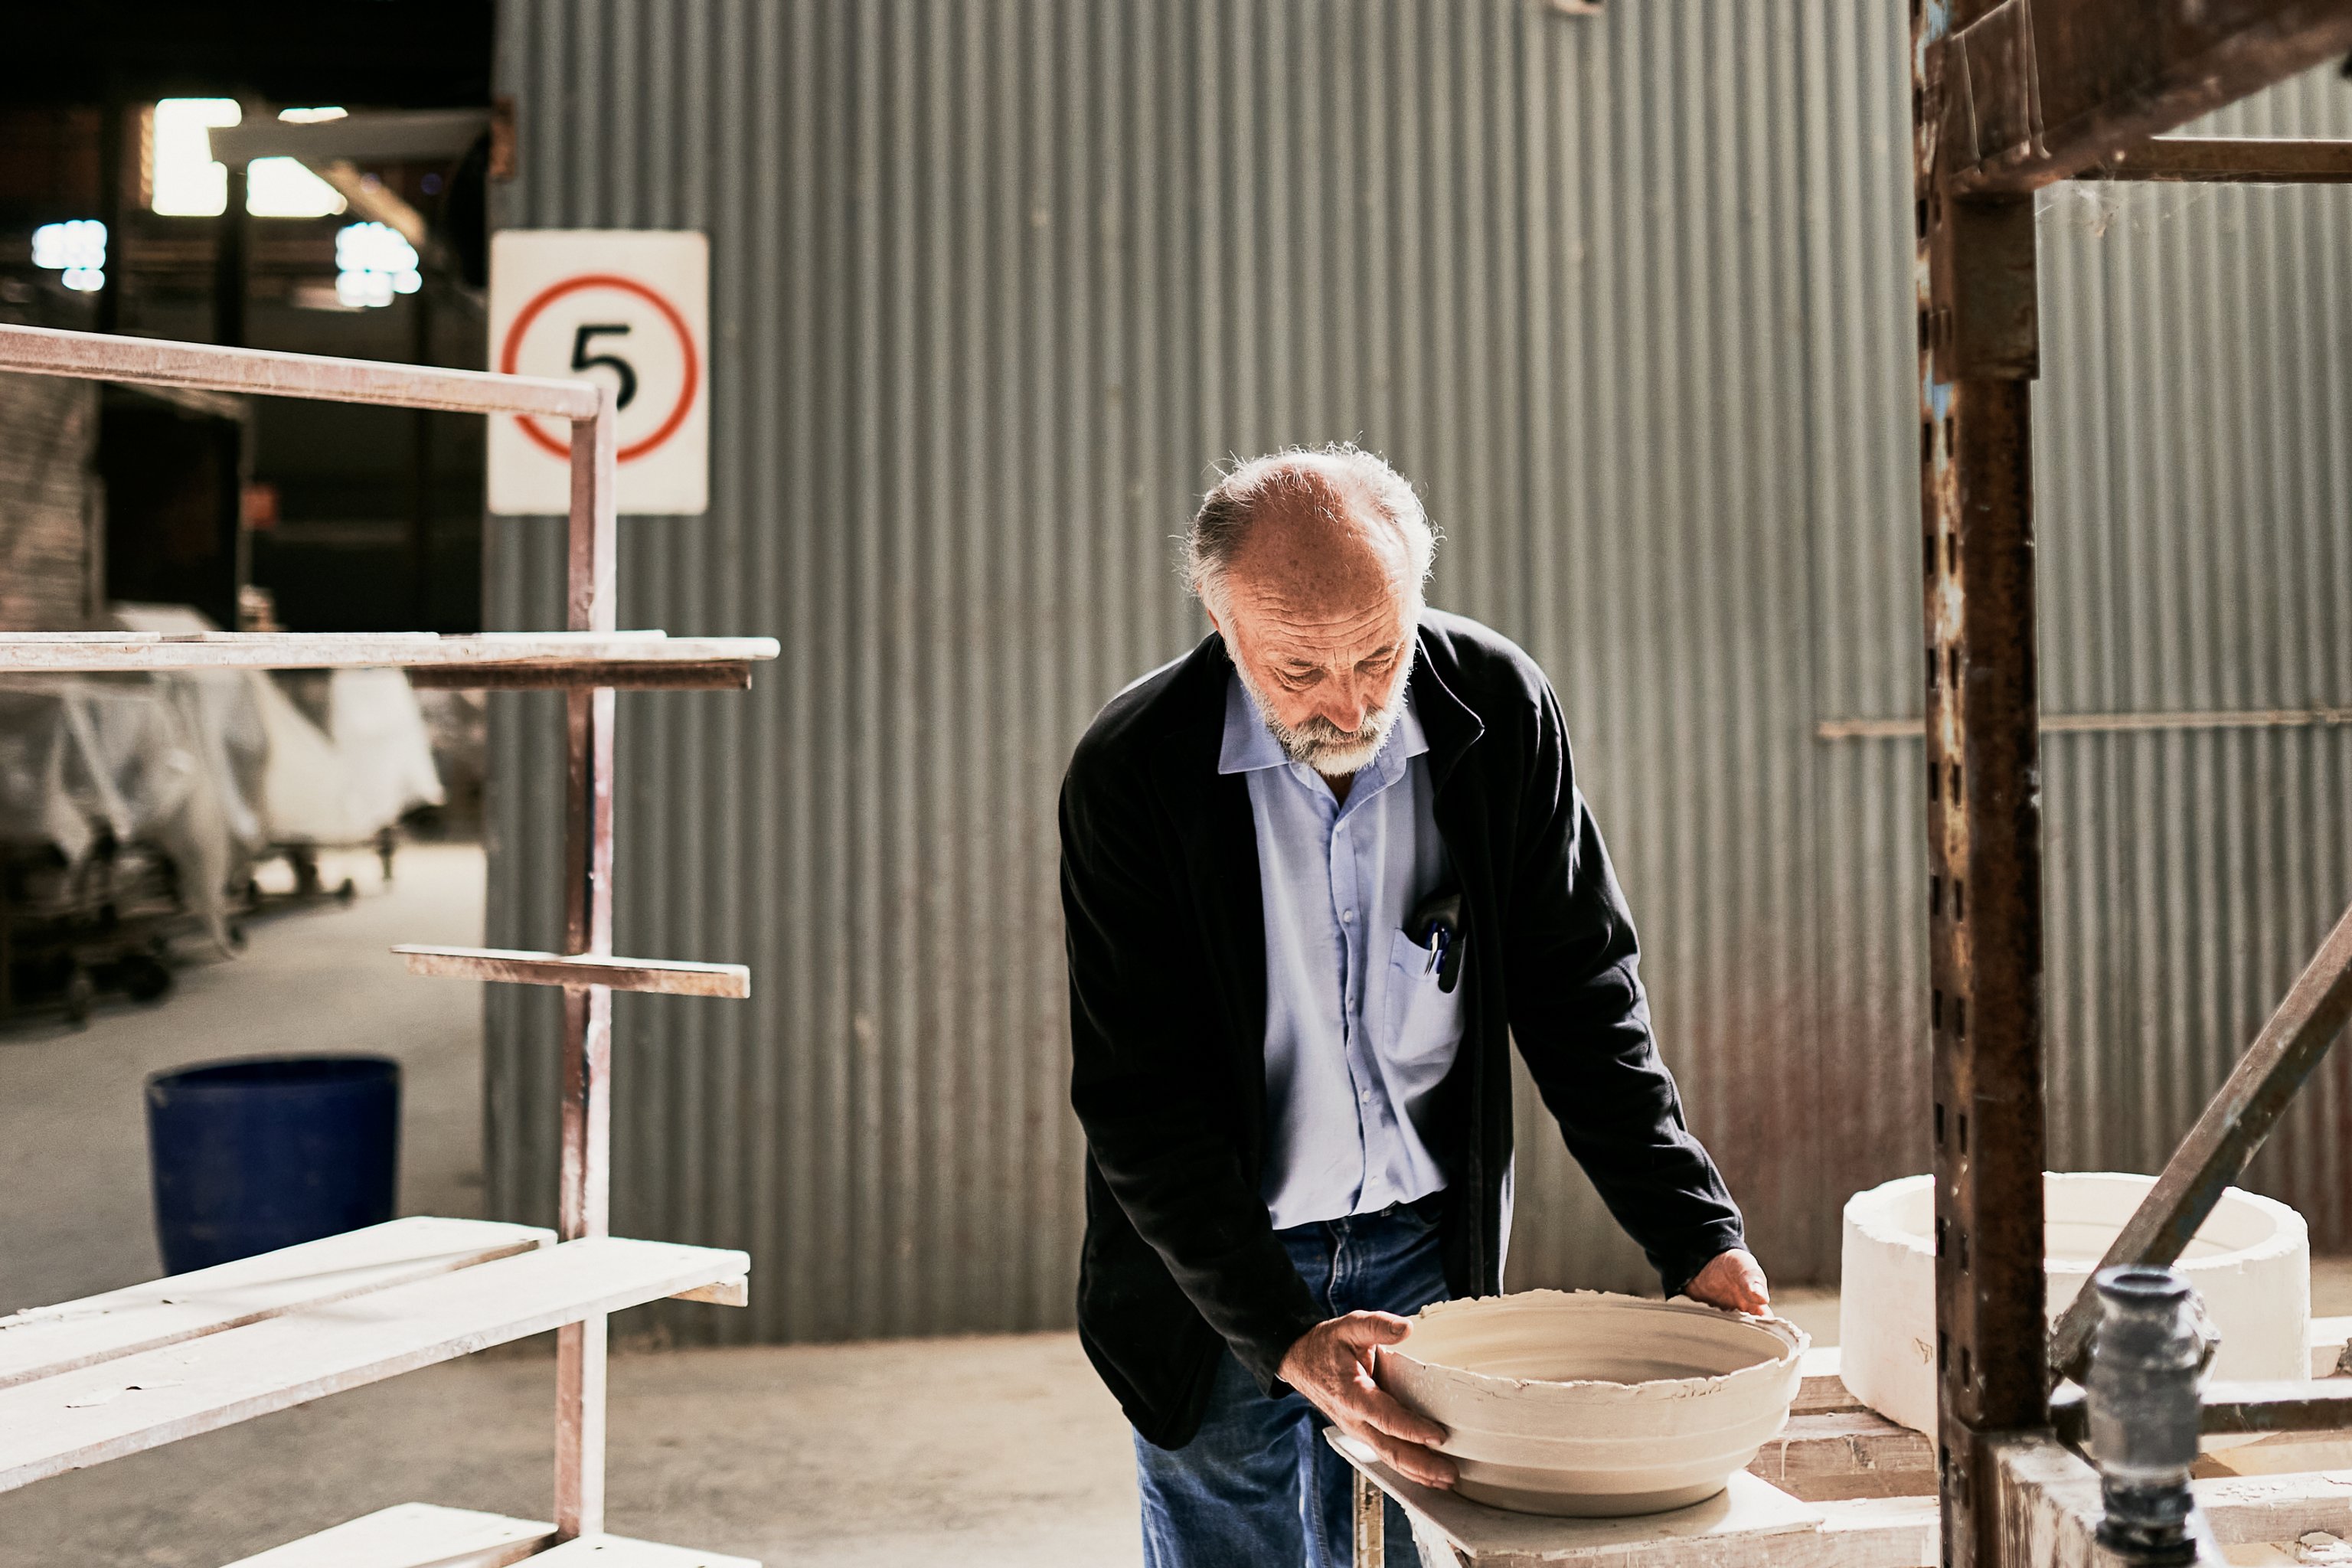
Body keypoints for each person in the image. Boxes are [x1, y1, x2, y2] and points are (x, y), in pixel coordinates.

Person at [1059, 444, 1768, 1568]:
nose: (1348, 705)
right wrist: (1280, 1330)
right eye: (1298, 670)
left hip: (1419, 1258)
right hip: (1213, 1271)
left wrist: (1693, 1231)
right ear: (1219, 613)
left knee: (1394, 1546)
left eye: (1380, 655)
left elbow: (1583, 995)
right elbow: (1139, 1100)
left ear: (1418, 593)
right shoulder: (1135, 771)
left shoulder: (1496, 710)